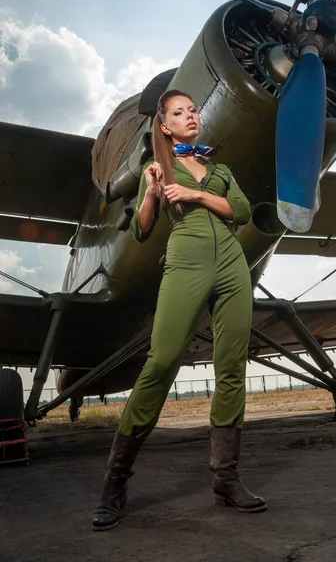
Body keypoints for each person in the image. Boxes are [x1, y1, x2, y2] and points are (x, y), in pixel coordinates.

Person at [92, 89, 267, 531]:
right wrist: (152, 191)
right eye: (178, 113)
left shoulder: (218, 169)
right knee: (163, 360)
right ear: (164, 126)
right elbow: (143, 229)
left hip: (231, 263)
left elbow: (243, 211)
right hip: (185, 259)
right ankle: (115, 482)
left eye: (193, 110)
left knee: (232, 366)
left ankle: (226, 478)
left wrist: (205, 197)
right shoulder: (159, 168)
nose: (190, 116)